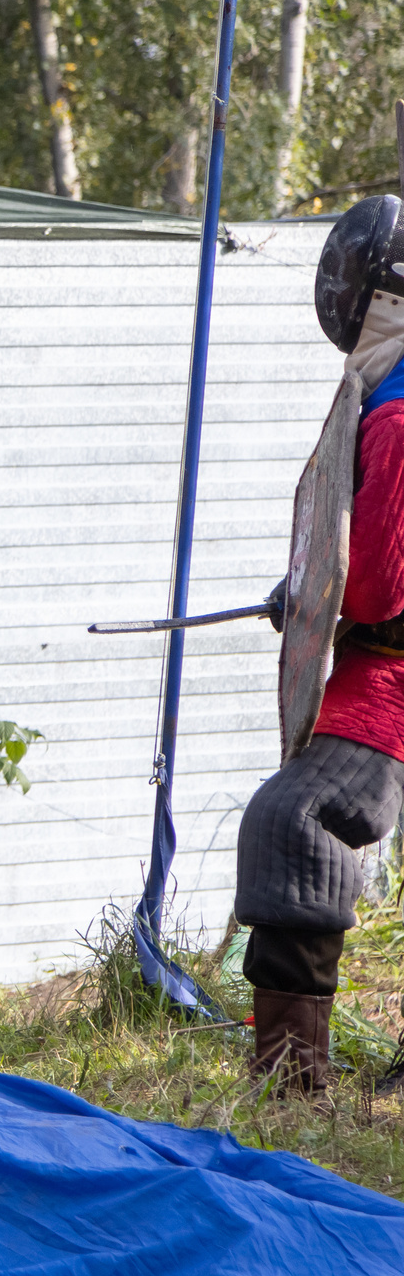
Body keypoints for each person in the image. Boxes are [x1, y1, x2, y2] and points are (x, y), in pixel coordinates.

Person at [234, 196, 404, 1090]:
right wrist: (305, 589)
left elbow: (378, 584)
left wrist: (313, 595)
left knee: (294, 820)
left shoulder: (397, 412)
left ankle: (292, 1083)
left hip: (392, 680)